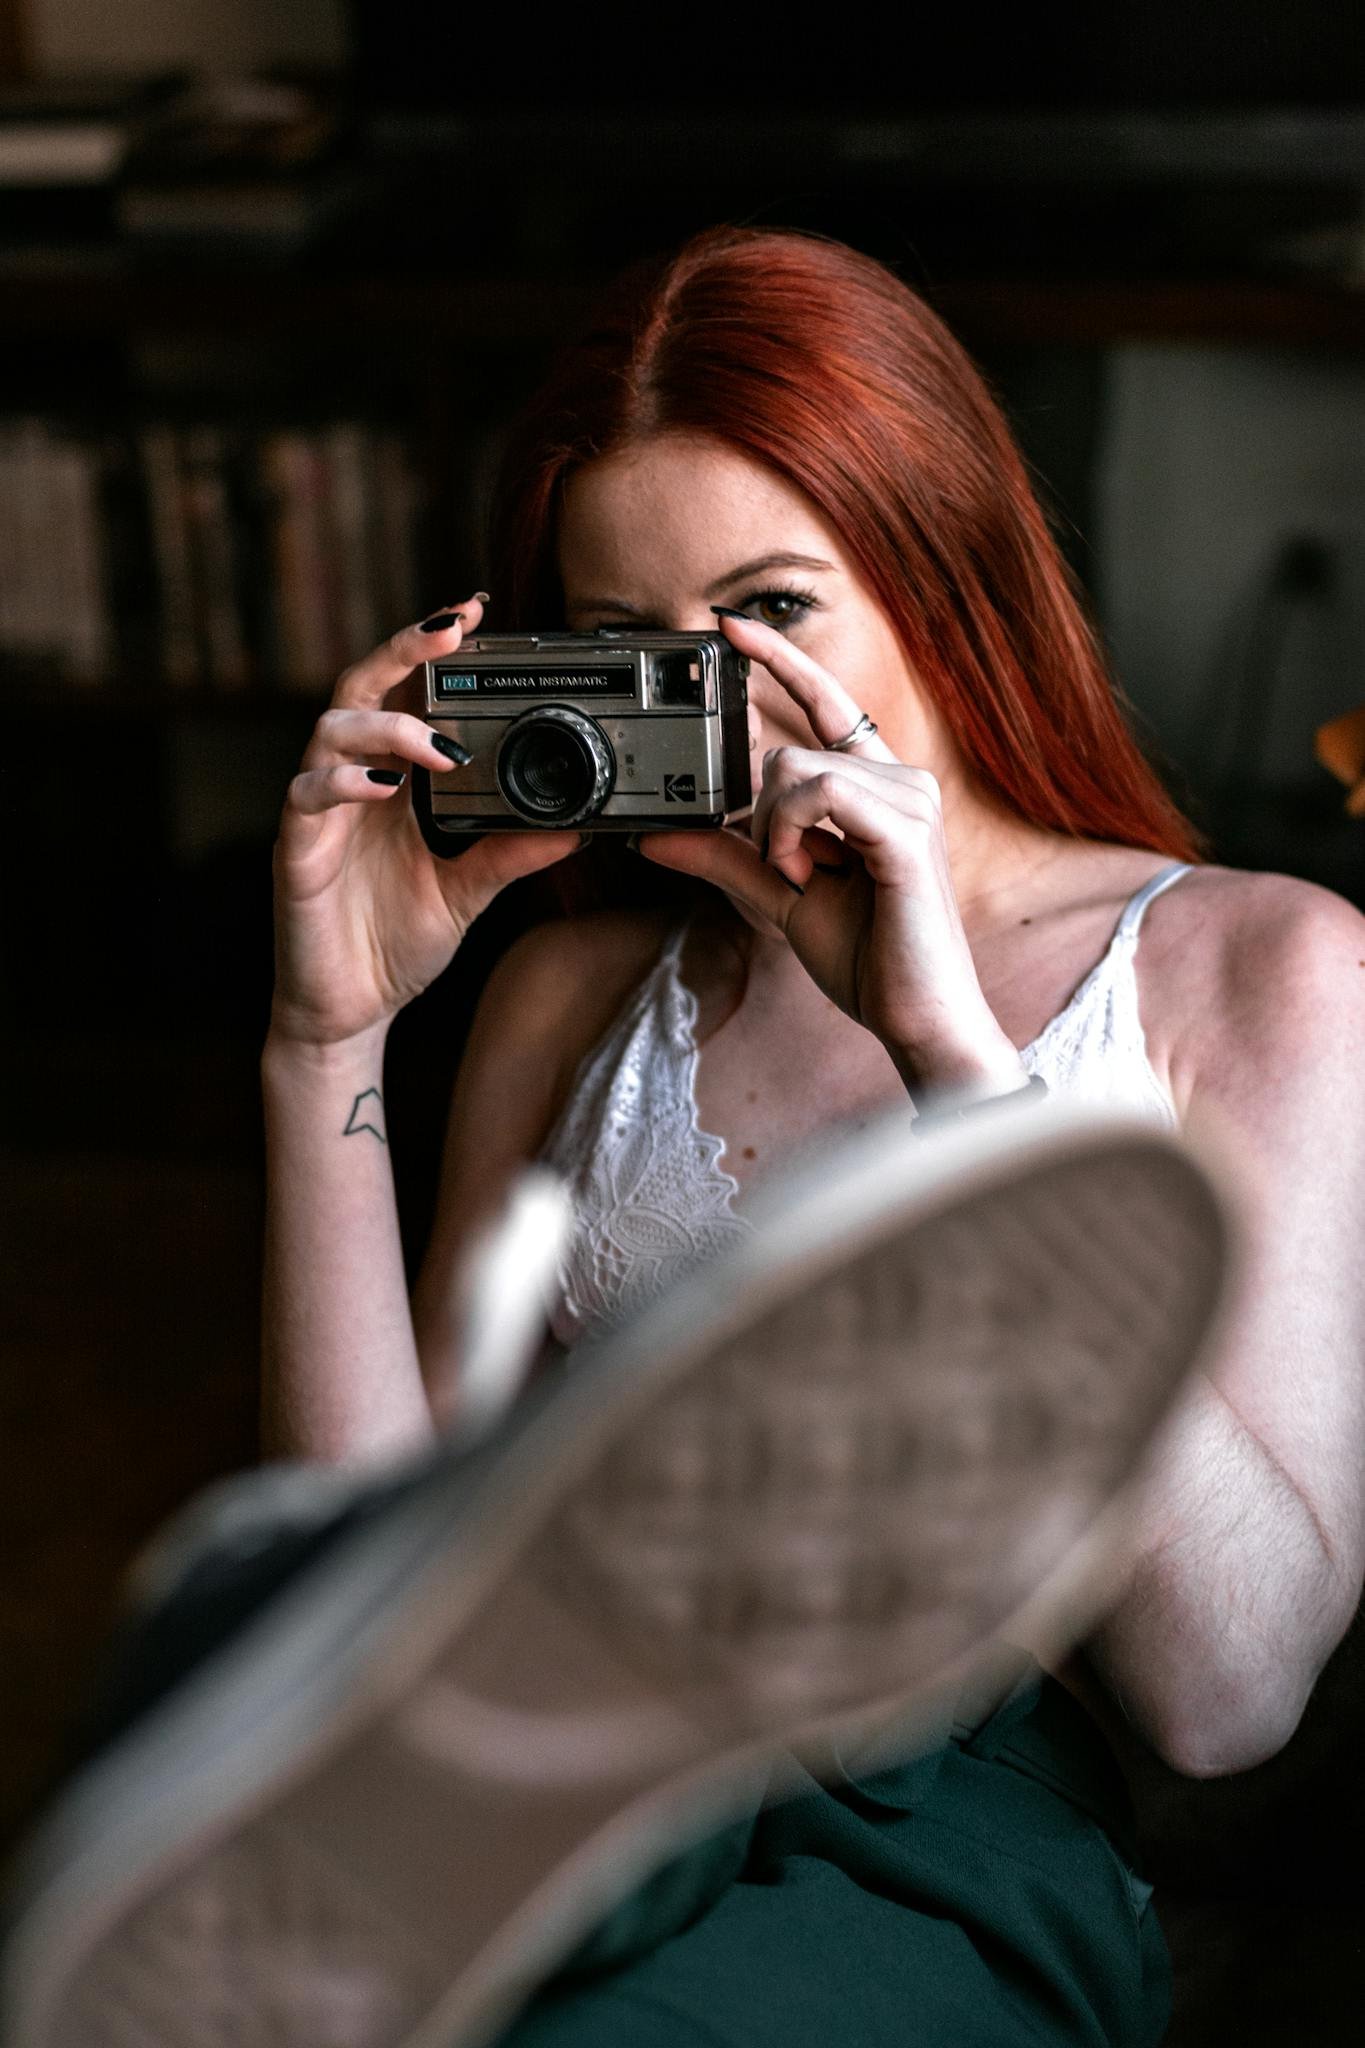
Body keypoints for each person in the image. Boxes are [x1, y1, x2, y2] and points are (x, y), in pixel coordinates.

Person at [10, 227, 1362, 2048]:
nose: (707, 704)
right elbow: (367, 1580)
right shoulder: (574, 995)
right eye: (626, 654)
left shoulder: (1259, 967)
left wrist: (956, 1068)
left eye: (770, 615)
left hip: (951, 1805)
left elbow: (1227, 1702)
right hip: (544, 1747)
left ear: (941, 572)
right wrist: (323, 1039)